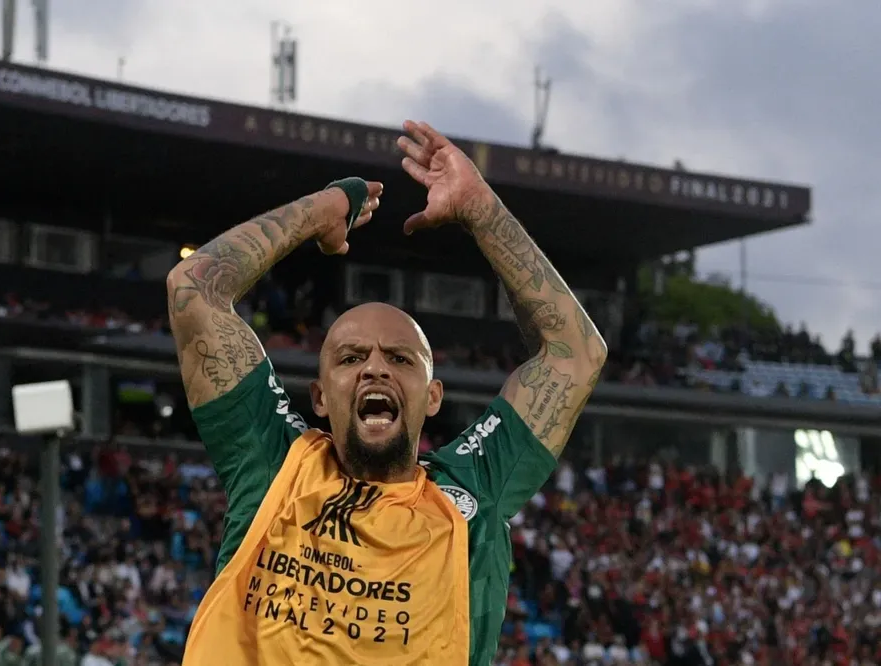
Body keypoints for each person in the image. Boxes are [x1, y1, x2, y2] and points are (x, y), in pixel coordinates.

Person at [171, 121, 607, 665]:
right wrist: (320, 210)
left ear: (433, 397)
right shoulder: (273, 465)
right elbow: (193, 289)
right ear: (320, 398)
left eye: (401, 359)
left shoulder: (473, 493)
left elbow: (575, 352)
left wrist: (481, 209)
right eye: (351, 358)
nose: (375, 368)